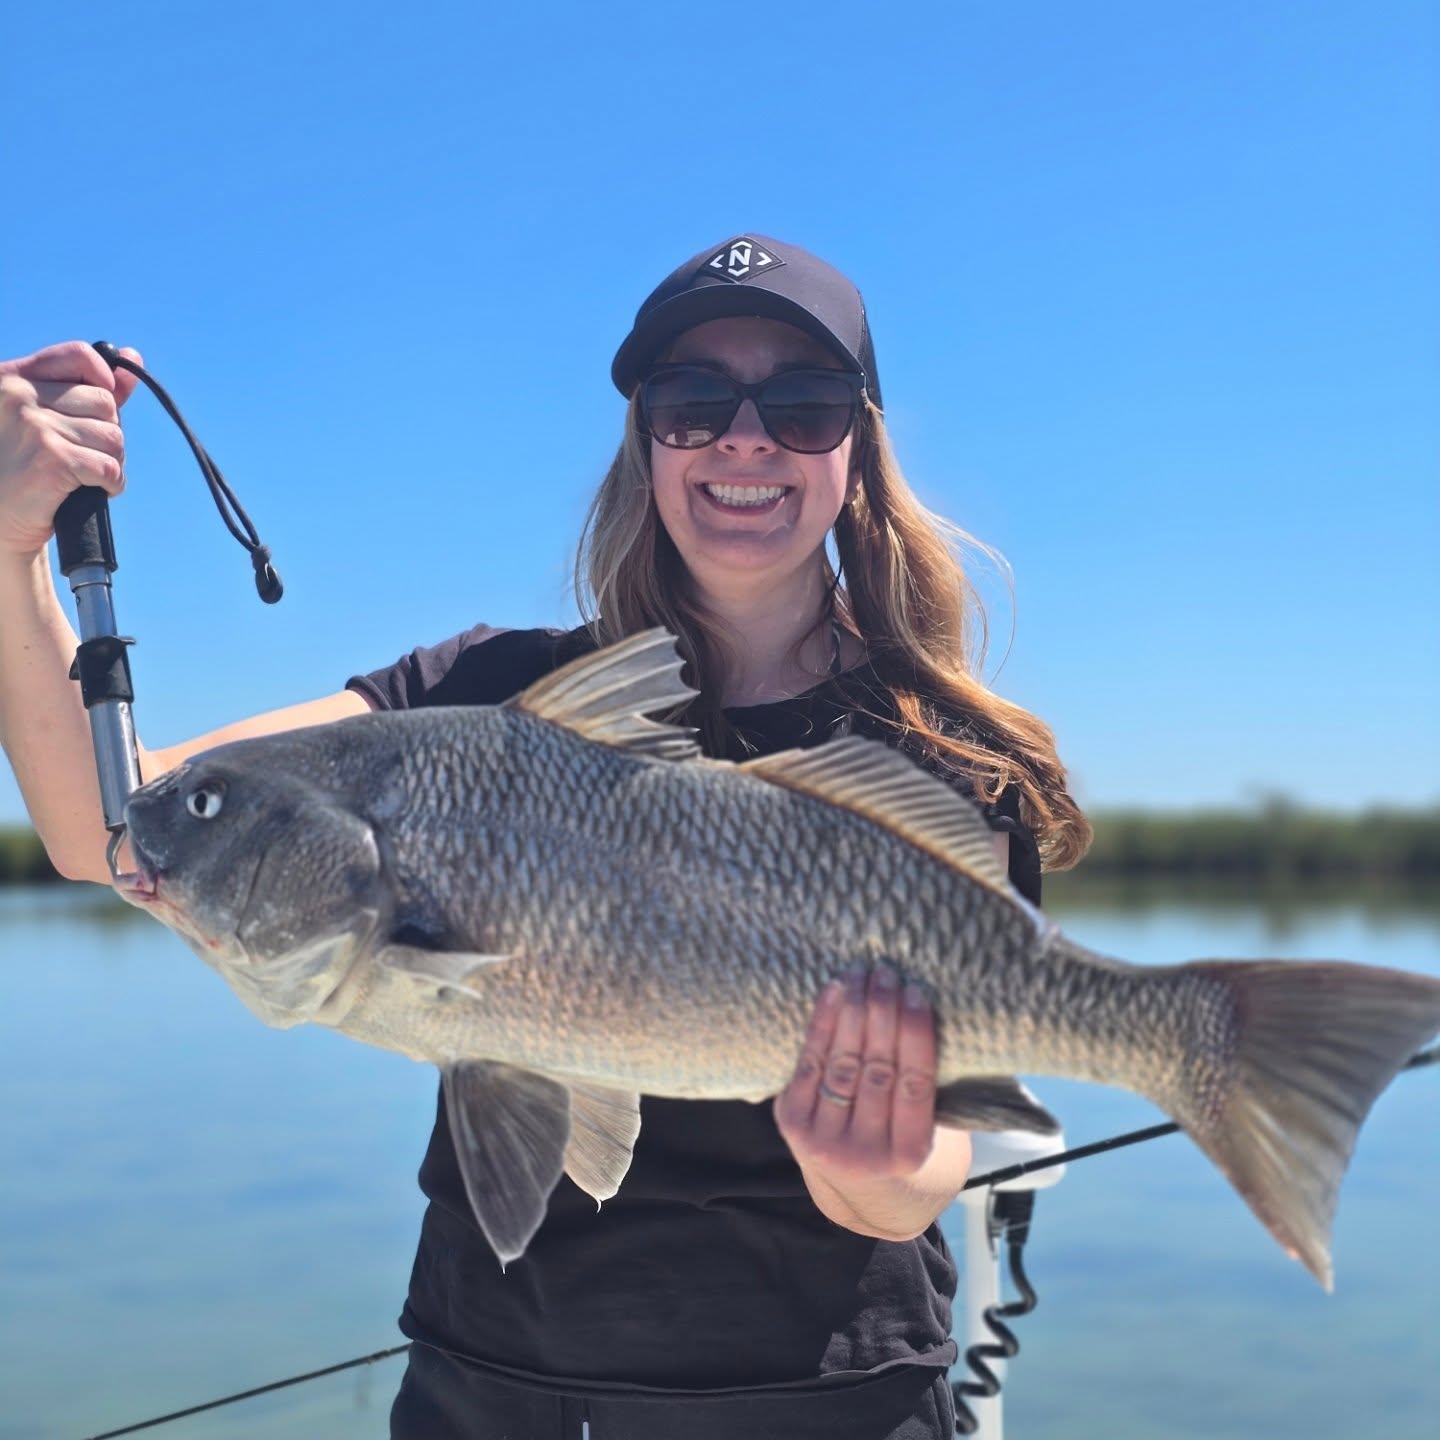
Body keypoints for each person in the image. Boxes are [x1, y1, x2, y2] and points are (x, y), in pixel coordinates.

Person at [0, 233, 1090, 1439]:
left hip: (823, 1400)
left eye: (802, 403)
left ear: (857, 445)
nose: (744, 437)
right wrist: (11, 550)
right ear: (645, 440)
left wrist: (869, 1164)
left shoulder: (947, 758)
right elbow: (113, 821)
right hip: (486, 1387)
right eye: (691, 403)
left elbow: (913, 1191)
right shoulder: (474, 691)